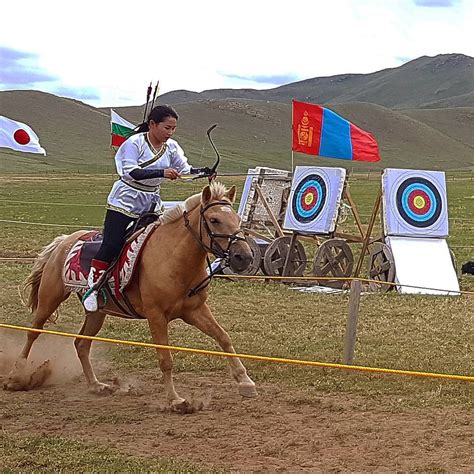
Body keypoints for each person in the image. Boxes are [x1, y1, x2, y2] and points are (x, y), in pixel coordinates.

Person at [82, 104, 211, 312]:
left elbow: (184, 170)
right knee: (113, 243)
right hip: (125, 200)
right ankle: (94, 287)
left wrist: (204, 172)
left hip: (151, 202)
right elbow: (131, 171)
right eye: (167, 128)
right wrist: (162, 173)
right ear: (152, 124)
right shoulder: (134, 143)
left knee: (159, 240)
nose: (170, 133)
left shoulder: (172, 147)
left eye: (173, 128)